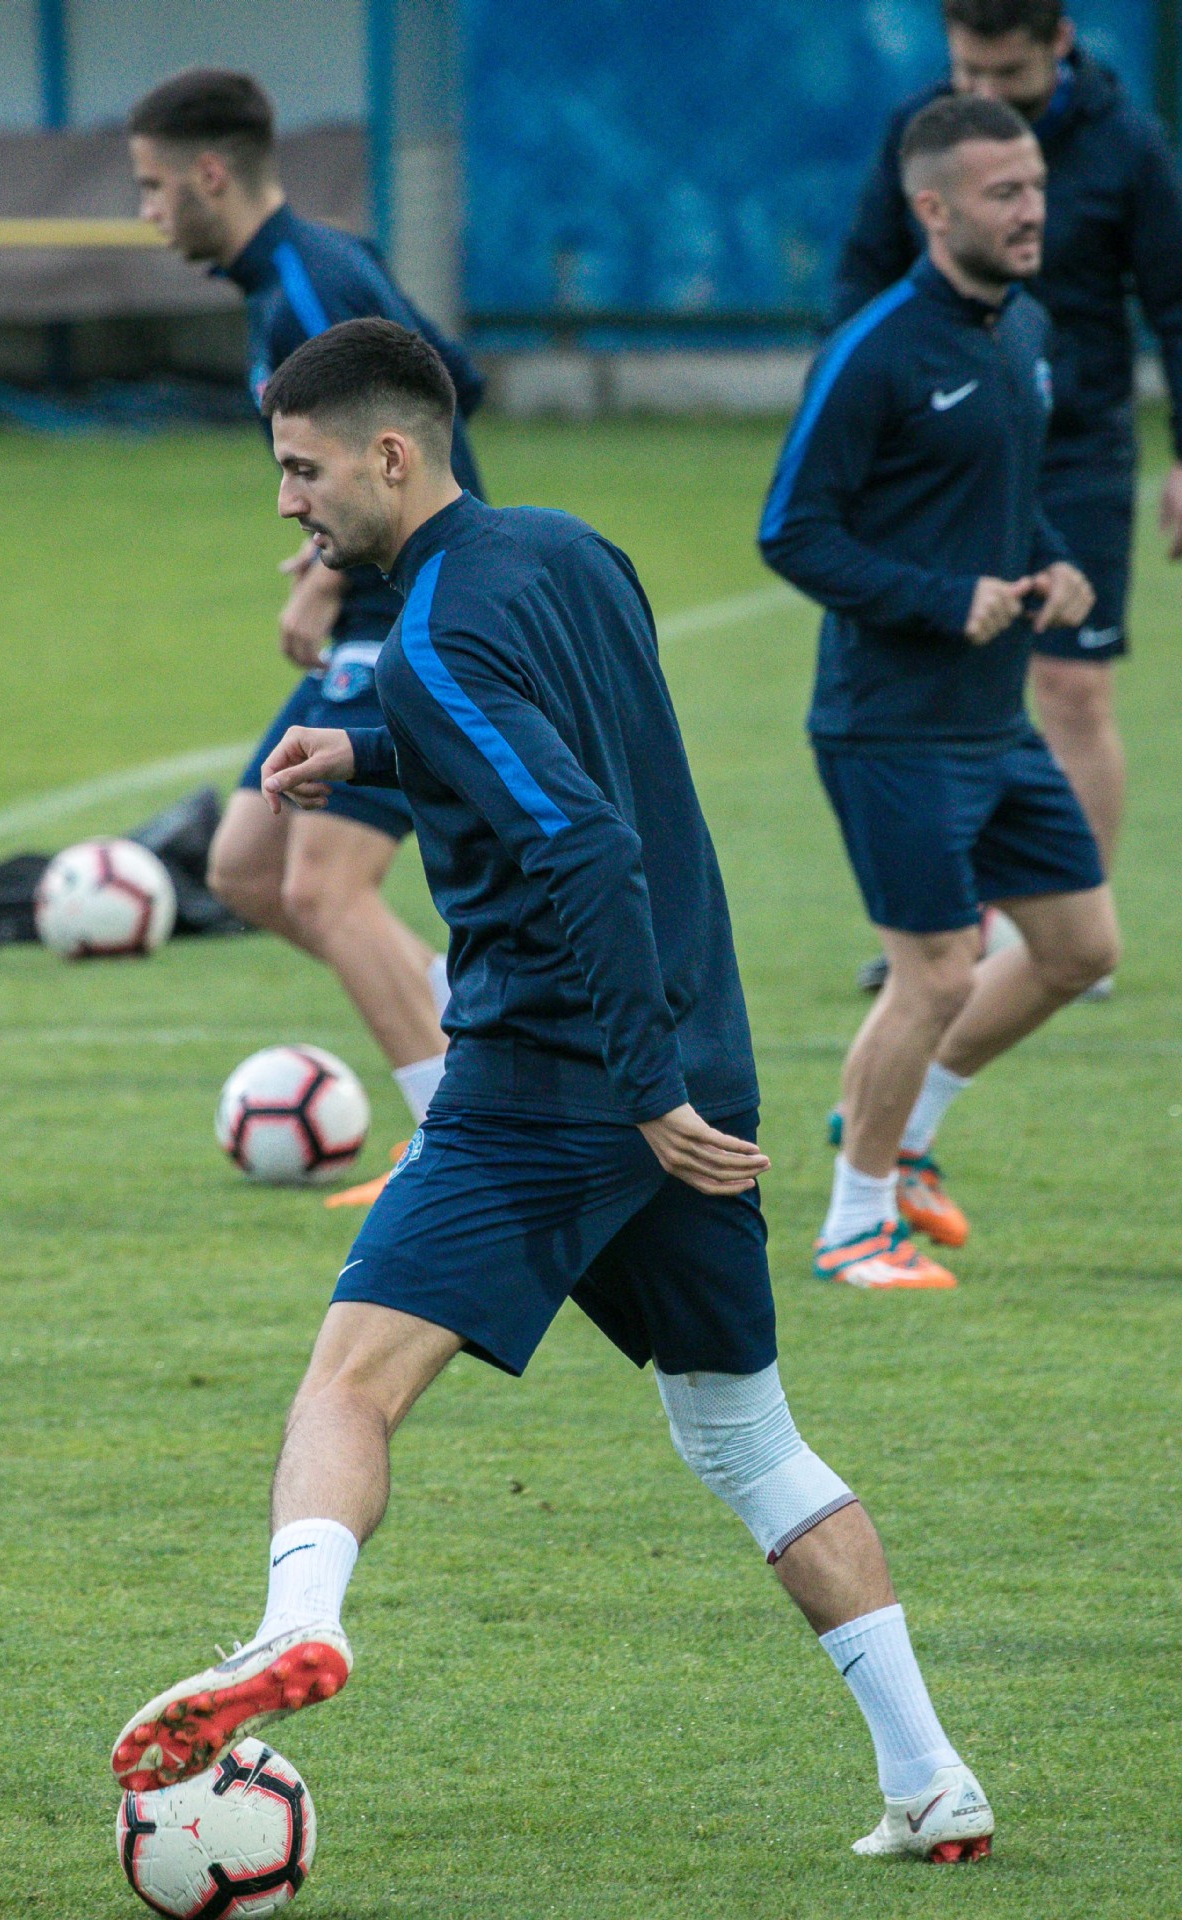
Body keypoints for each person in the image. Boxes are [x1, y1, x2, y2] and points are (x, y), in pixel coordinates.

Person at [111, 318, 994, 1865]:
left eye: (302, 470)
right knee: (747, 1441)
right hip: (698, 1070)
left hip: (555, 1085)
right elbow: (568, 747)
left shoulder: (435, 639)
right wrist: (366, 751)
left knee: (347, 1385)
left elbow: (584, 841)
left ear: (391, 454)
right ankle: (932, 1780)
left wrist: (635, 1087)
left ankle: (295, 1625)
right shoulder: (576, 555)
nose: (288, 504)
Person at [760, 95, 1119, 1290]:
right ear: (931, 208)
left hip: (992, 721)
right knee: (936, 973)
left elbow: (1004, 492)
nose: (1030, 211)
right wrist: (935, 598)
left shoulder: (1023, 329)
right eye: (1002, 193)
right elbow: (790, 531)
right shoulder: (871, 351)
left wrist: (1052, 562)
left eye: (1035, 187)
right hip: (889, 726)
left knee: (1075, 948)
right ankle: (852, 1224)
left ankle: (902, 1131)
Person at [128, 69, 486, 1134]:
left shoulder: (308, 286)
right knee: (245, 867)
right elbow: (454, 377)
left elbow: (418, 430)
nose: (147, 212)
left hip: (407, 609)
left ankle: (456, 1142)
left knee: (325, 889)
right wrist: (329, 539)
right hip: (379, 599)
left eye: (151, 186)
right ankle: (494, 1052)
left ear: (209, 173)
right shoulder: (302, 271)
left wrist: (336, 571)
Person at [835, 0, 1182, 999]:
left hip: (1074, 452)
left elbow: (1174, 302)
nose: (982, 93)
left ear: (1058, 45)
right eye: (966, 72)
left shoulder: (1125, 144)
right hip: (940, 451)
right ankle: (937, 930)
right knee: (937, 686)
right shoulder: (921, 134)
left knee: (1070, 686)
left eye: (1006, 75)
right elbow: (861, 278)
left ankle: (1066, 940)